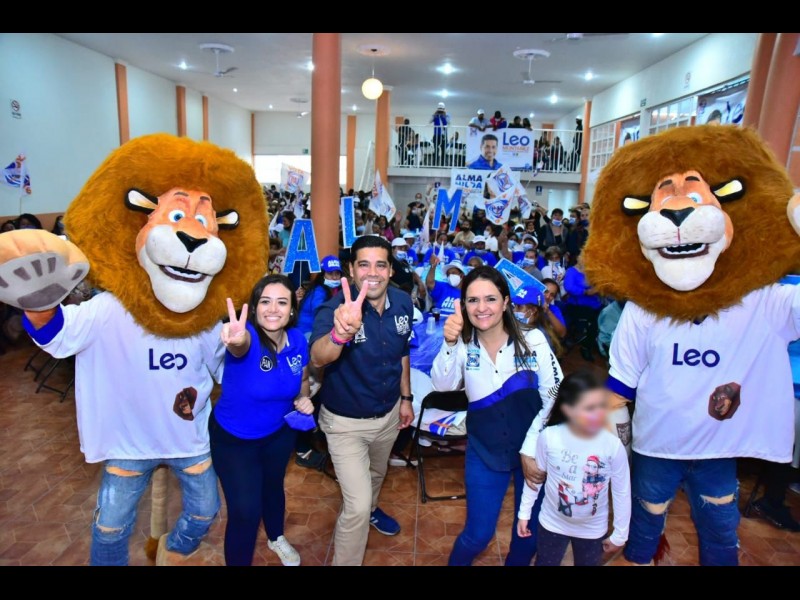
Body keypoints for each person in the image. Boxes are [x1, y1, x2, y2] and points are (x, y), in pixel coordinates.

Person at [431, 266, 563, 566]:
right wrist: (449, 344)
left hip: (534, 451)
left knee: (527, 534)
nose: (482, 308)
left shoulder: (533, 340)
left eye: (490, 299)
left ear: (505, 302)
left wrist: (531, 448)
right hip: (484, 450)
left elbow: (554, 395)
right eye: (473, 300)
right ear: (463, 305)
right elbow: (442, 385)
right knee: (477, 536)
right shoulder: (463, 344)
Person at [310, 235, 415, 566]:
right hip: (345, 424)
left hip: (388, 416)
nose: (373, 273)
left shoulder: (403, 302)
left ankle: (372, 509)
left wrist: (406, 397)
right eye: (364, 265)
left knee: (376, 477)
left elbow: (402, 352)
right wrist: (340, 335)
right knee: (355, 507)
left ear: (391, 270)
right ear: (352, 270)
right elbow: (317, 357)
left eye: (380, 265)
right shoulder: (335, 309)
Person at [210, 275, 314, 566]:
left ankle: (276, 536)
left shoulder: (297, 340)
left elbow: (303, 379)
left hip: (278, 434)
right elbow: (239, 346)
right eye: (265, 301)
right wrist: (236, 339)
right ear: (254, 307)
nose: (273, 309)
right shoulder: (247, 337)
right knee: (245, 511)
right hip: (234, 440)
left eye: (282, 302)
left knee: (273, 486)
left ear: (292, 309)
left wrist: (303, 398)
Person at [518, 371, 630, 566]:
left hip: (592, 530)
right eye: (589, 408)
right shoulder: (549, 437)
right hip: (552, 524)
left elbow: (622, 491)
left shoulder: (612, 446)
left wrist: (620, 534)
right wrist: (524, 513)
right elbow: (536, 478)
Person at [563, 259, 603, 362]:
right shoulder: (572, 271)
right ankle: (586, 347)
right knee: (595, 321)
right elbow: (568, 287)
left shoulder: (591, 271)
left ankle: (599, 341)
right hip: (577, 305)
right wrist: (585, 292)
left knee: (605, 315)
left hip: (594, 303)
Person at [297, 256, 342, 339]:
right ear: (322, 275)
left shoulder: (336, 289)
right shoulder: (318, 292)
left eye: (337, 273)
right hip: (306, 332)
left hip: (319, 329)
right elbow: (321, 316)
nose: (334, 277)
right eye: (330, 273)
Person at [512, 286, 564, 355]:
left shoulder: (540, 340)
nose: (514, 310)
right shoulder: (516, 328)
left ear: (533, 310)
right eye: (514, 306)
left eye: (519, 307)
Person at [430, 102, 450, 167]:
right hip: (436, 135)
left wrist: (444, 115)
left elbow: (449, 122)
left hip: (443, 136)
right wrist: (435, 114)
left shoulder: (447, 115)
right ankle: (435, 164)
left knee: (443, 150)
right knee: (436, 150)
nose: (441, 111)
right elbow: (430, 121)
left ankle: (442, 165)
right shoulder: (435, 116)